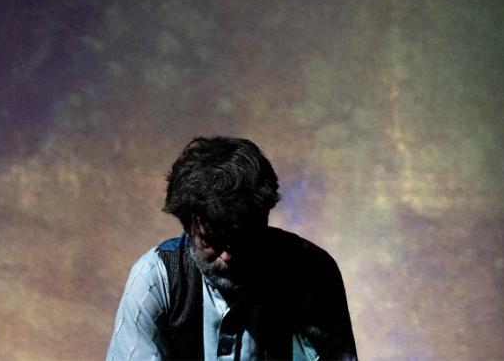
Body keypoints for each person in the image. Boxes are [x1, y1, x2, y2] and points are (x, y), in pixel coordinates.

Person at [106, 136, 357, 360]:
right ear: (188, 225)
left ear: (264, 219)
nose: (228, 255)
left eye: (241, 240)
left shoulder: (311, 273)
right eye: (213, 241)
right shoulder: (153, 280)